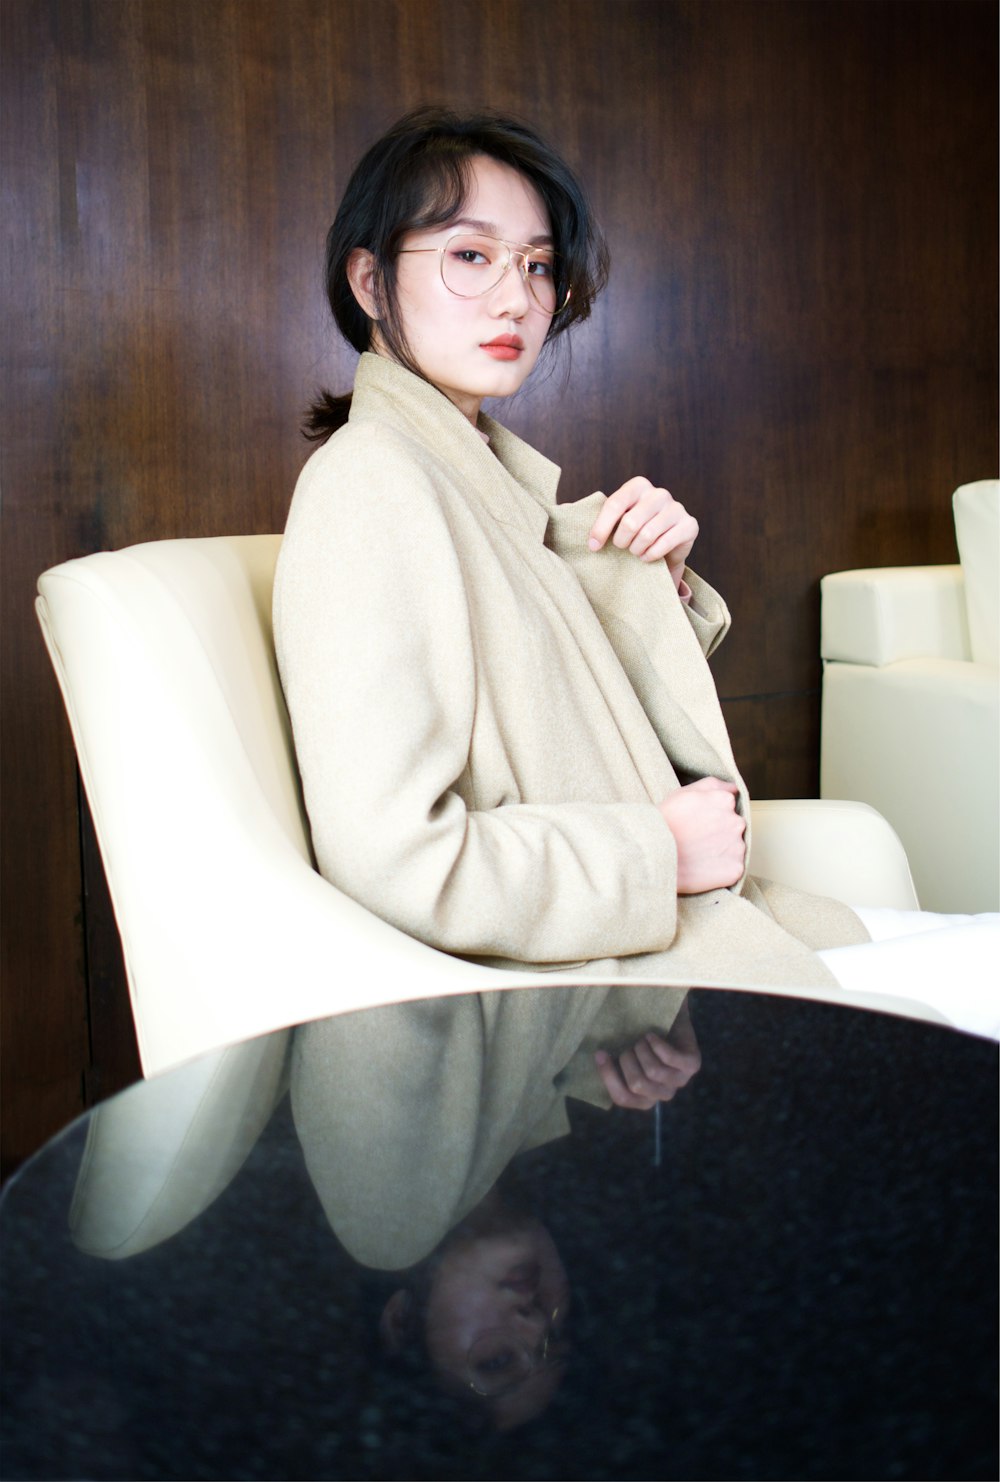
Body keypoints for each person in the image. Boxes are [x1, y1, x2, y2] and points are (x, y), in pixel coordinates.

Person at [274, 104, 998, 1118]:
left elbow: (560, 706)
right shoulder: (372, 487)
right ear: (368, 281)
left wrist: (649, 581)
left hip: (684, 934)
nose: (515, 297)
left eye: (534, 265)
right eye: (469, 256)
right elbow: (396, 854)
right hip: (623, 970)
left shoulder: (472, 480)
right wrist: (654, 853)